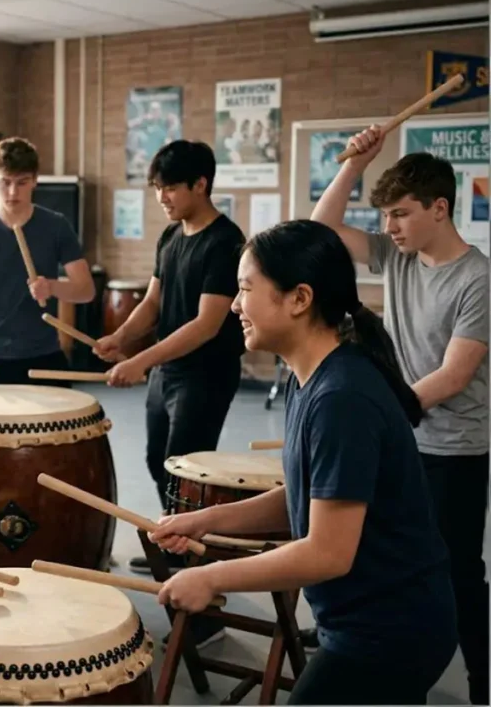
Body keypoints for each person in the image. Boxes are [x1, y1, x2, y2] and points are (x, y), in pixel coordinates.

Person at [151, 219, 458, 705]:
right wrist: (207, 520)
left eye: (246, 289)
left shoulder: (342, 398)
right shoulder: (309, 377)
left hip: (391, 631)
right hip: (367, 621)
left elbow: (327, 553)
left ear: (299, 298)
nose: (234, 305)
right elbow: (306, 493)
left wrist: (211, 576)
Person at [310, 126, 488, 704]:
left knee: (456, 572)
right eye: (384, 214)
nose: (388, 227)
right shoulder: (397, 256)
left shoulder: (479, 279)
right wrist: (355, 164)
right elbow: (321, 229)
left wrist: (383, 412)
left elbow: (454, 375)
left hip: (455, 448)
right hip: (404, 435)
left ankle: (483, 682)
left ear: (440, 208)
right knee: (387, 554)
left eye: (401, 213)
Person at [94, 141, 245, 596]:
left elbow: (206, 324)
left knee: (188, 470)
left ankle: (197, 561)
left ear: (201, 185)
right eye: (157, 188)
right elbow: (153, 302)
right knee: (159, 461)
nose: (162, 197)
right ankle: (180, 545)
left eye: (170, 188)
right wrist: (121, 337)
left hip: (205, 373)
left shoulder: (225, 242)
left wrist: (140, 360)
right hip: (170, 373)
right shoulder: (171, 236)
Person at [0, 137, 95, 386]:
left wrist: (51, 286)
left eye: (22, 182)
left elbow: (86, 291)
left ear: (35, 180)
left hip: (42, 353)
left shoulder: (57, 226)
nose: (13, 192)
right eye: (5, 183)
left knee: (73, 422)